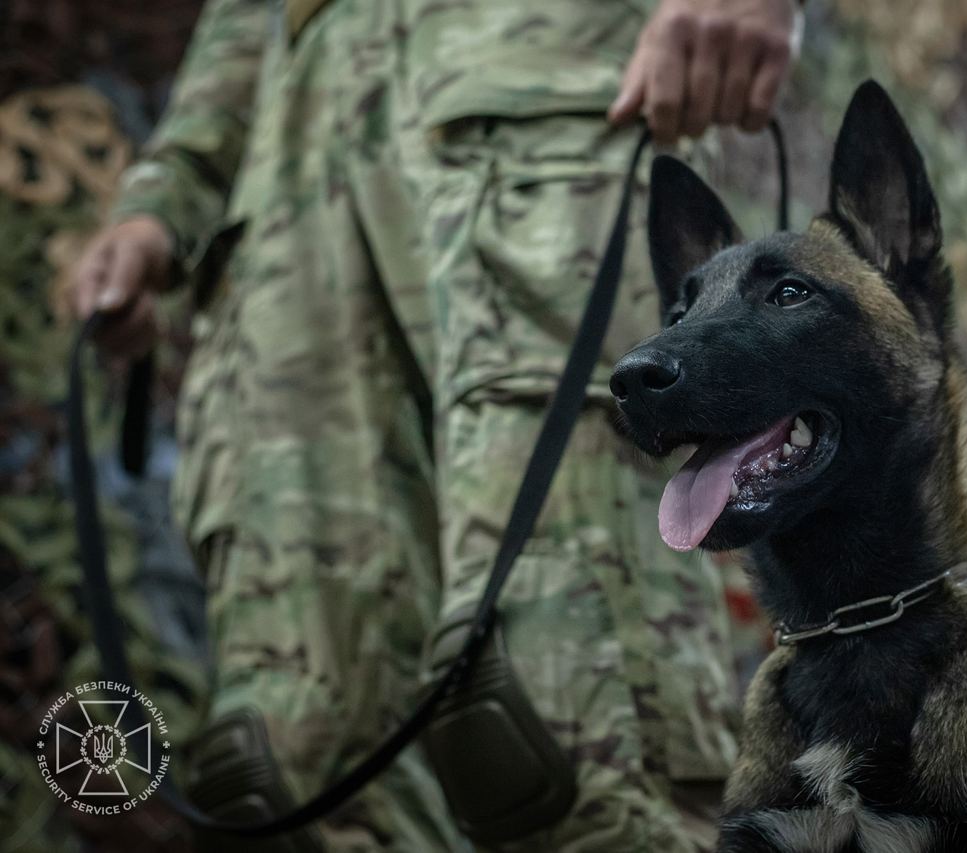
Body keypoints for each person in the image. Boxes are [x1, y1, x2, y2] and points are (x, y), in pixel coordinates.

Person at [72, 0, 799, 850]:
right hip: (291, 196)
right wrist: (166, 197)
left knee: (560, 721)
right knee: (293, 757)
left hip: (528, 84)